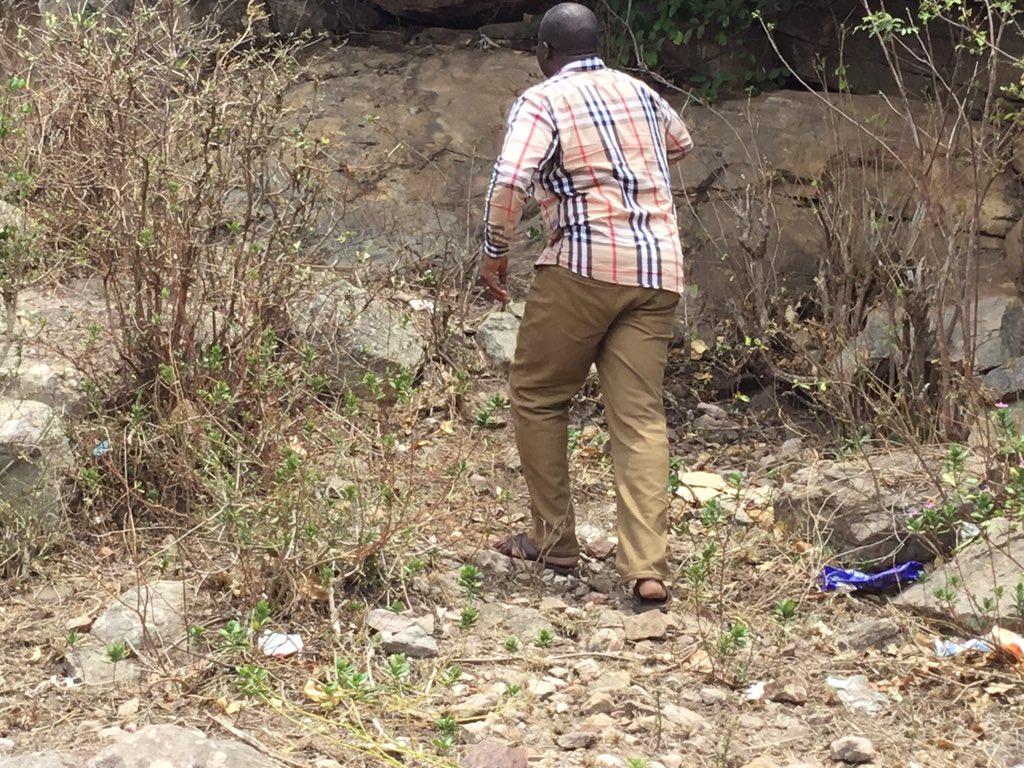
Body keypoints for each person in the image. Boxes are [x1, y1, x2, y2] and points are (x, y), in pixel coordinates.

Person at [480, 2, 693, 609]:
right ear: (599, 45)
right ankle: (647, 567)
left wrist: (495, 252)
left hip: (582, 265)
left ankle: (553, 541)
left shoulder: (542, 99)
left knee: (539, 393)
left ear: (546, 53)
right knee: (640, 419)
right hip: (658, 271)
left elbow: (509, 180)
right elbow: (681, 144)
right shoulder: (641, 93)